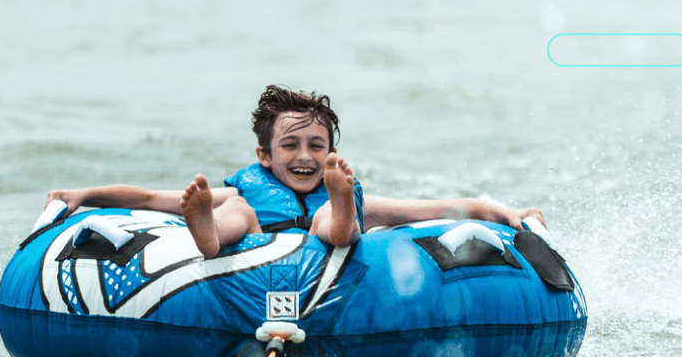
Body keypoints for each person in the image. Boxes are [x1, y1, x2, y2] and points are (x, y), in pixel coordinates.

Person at [46, 85, 546, 258]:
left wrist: (506, 212)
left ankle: (345, 218)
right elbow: (151, 200)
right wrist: (84, 194)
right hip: (247, 238)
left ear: (331, 154)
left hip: (330, 227)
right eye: (291, 146)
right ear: (265, 156)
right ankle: (206, 232)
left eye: (317, 146)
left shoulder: (338, 190)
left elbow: (447, 208)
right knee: (238, 207)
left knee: (331, 214)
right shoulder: (249, 188)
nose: (304, 156)